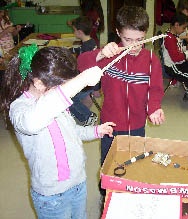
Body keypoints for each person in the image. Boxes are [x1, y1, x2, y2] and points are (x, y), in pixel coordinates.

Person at [0, 45, 115, 218]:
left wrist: (95, 131)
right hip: (51, 194)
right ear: (39, 83)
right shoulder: (20, 109)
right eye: (62, 88)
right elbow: (33, 122)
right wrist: (81, 80)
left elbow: (70, 131)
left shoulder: (57, 103)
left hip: (78, 182)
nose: (66, 94)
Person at [78, 6, 165, 165]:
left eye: (139, 40)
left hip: (137, 124)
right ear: (118, 33)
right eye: (128, 40)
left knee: (134, 162)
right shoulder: (109, 56)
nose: (134, 46)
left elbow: (155, 89)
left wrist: (154, 107)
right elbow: (81, 64)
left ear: (146, 33)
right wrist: (100, 54)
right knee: (109, 162)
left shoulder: (152, 60)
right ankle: (106, 188)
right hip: (109, 124)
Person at [69, 16, 99, 126]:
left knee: (69, 99)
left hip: (87, 83)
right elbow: (81, 50)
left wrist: (95, 88)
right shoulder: (90, 42)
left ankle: (88, 116)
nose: (73, 32)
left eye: (74, 30)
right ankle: (79, 113)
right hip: (87, 82)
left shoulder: (87, 48)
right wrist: (72, 49)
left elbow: (94, 68)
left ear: (80, 32)